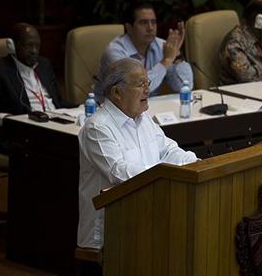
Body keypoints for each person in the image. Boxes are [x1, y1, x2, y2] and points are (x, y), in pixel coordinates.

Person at [78, 58, 197, 252]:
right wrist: (167, 175)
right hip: (107, 238)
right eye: (140, 84)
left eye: (147, 83)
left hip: (147, 227)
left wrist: (197, 165)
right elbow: (120, 173)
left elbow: (168, 150)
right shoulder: (97, 128)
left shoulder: (143, 120)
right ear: (117, 92)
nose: (147, 90)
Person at [0, 22, 75, 130]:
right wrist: (10, 121)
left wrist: (82, 107)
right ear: (12, 46)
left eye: (37, 46)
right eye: (28, 45)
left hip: (58, 124)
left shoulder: (44, 65)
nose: (34, 51)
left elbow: (58, 102)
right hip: (26, 132)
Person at [99, 3, 193, 98]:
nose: (150, 28)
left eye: (153, 22)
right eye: (143, 23)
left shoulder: (162, 46)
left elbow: (184, 87)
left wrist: (177, 54)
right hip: (111, 110)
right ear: (129, 28)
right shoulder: (115, 52)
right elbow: (133, 90)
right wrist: (166, 61)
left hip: (148, 108)